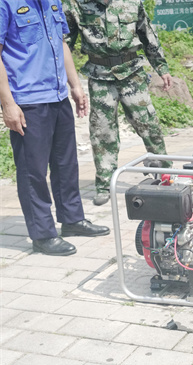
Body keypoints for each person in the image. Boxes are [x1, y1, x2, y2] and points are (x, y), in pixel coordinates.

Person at [0, 0, 110, 256]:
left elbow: (61, 44)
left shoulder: (52, 2)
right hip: (27, 100)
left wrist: (75, 85)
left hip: (58, 95)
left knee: (66, 163)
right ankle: (43, 234)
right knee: (33, 171)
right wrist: (7, 103)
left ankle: (72, 219)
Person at [63, 0, 173, 206]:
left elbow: (147, 34)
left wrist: (162, 67)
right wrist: (65, 79)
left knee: (148, 124)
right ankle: (104, 184)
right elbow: (64, 43)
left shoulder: (132, 2)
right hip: (99, 76)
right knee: (102, 131)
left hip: (132, 72)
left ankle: (165, 173)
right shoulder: (76, 5)